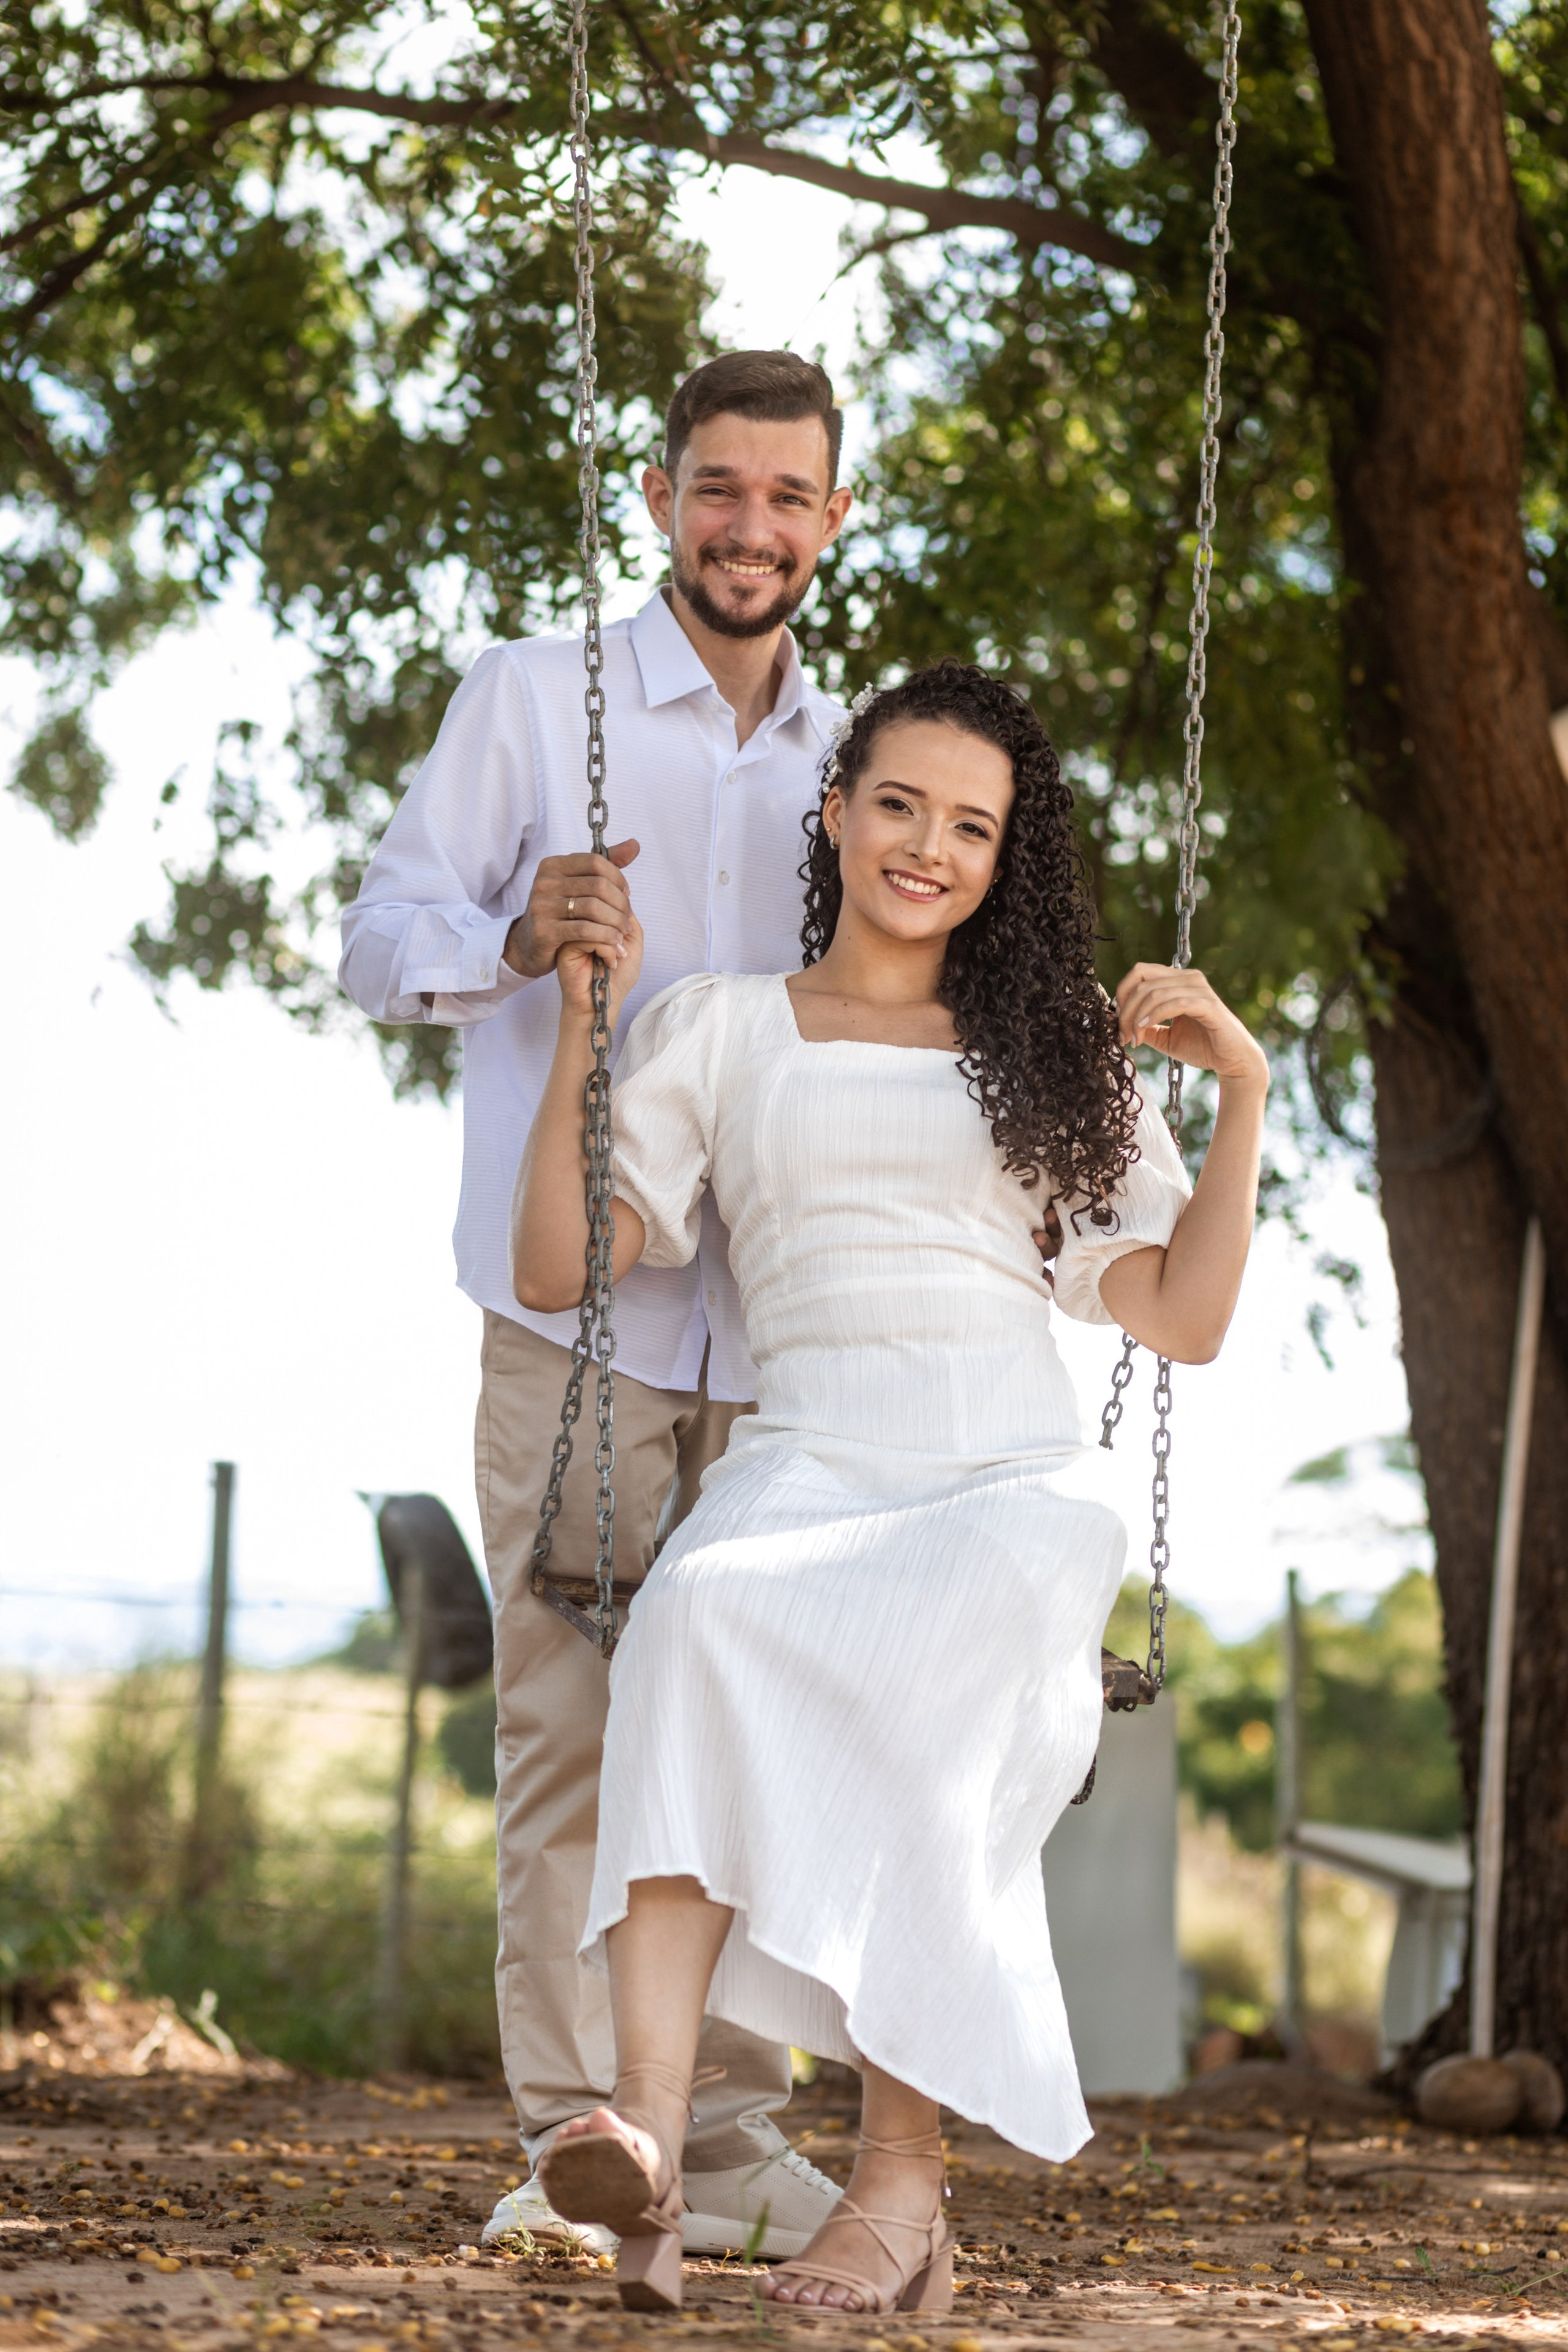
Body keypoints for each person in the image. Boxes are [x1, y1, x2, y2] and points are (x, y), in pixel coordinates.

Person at [511, 661, 1270, 2314]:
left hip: (1006, 1476)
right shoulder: (717, 1027)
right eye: (902, 804)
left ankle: (904, 2185)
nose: (929, 846)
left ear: (1009, 860)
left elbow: (1184, 1324)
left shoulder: (1058, 1058)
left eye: (973, 826)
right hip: (807, 1456)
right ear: (840, 807)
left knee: (938, 1672)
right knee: (698, 1615)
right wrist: (584, 1015)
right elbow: (563, 1259)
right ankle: (643, 2136)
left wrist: (1247, 1101)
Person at [338, 351, 854, 2258]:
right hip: (572, 1318)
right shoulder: (526, 702)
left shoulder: (849, 760)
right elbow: (374, 941)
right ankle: (573, 2137)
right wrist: (508, 931)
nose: (751, 529)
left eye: (788, 497)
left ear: (834, 520)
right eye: (720, 490)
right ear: (660, 499)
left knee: (755, 1756)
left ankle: (721, 2141)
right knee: (570, 1725)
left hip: (789, 1327)